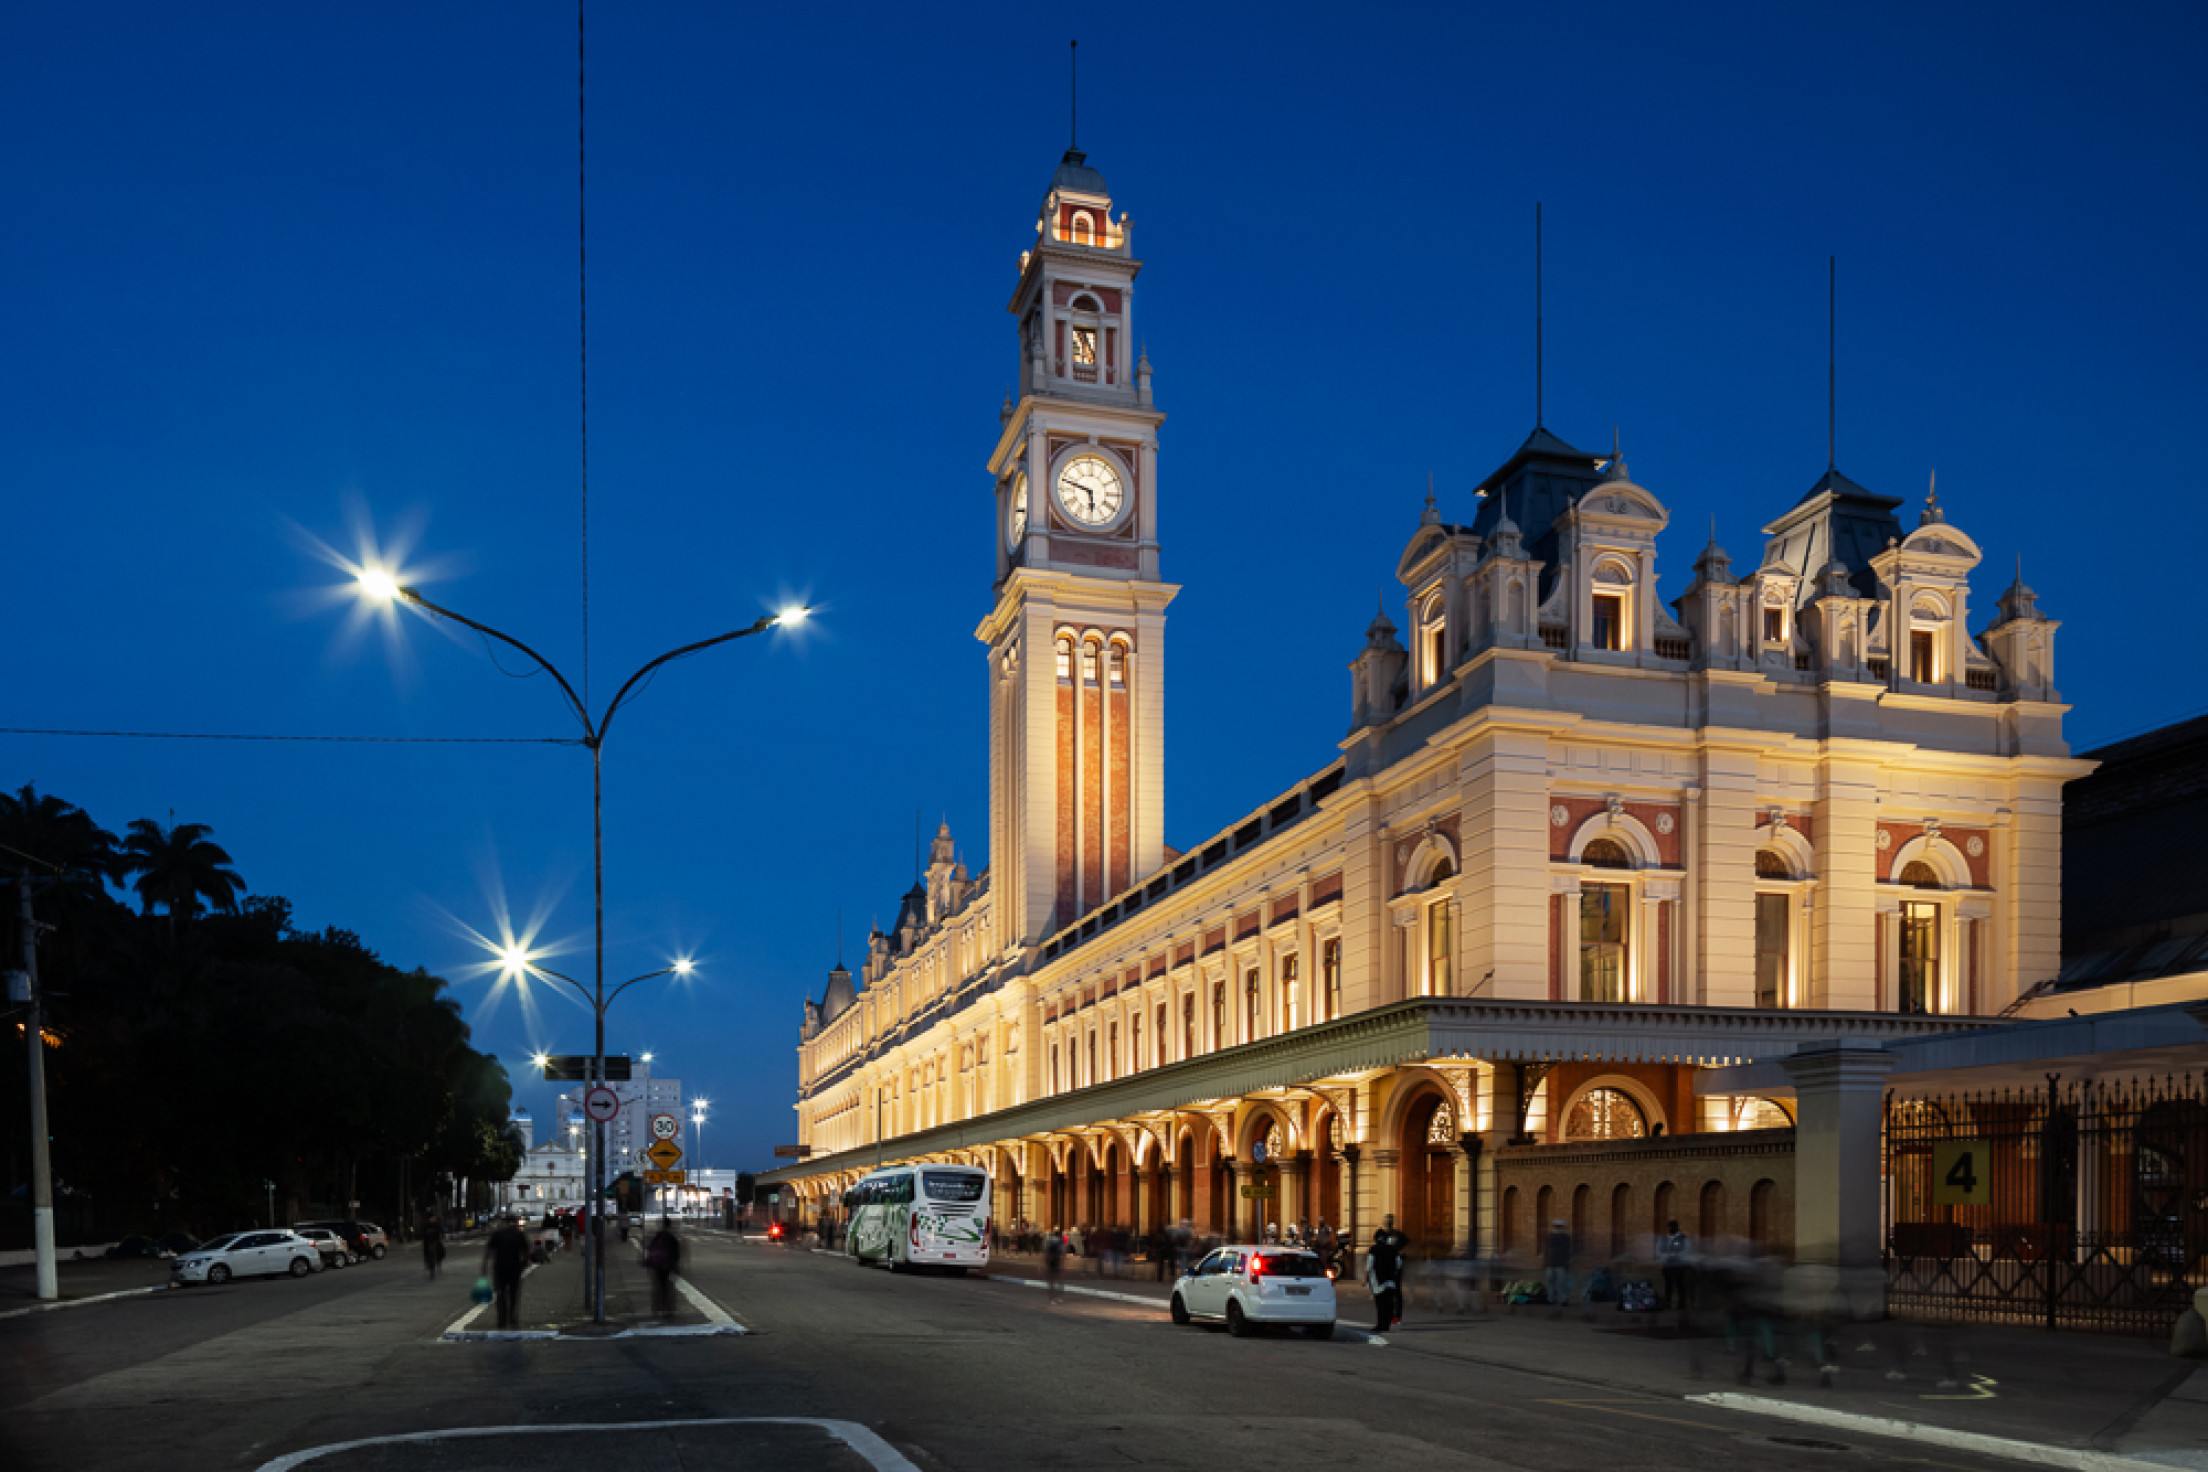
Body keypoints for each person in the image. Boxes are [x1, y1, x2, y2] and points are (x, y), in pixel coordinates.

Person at [483, 1213, 529, 1330]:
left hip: (499, 1268)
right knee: (513, 1294)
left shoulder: (497, 1234)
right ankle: (512, 1318)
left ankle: (501, 1319)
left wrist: (484, 1266)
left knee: (500, 1294)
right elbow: (526, 1250)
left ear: (504, 1222)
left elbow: (489, 1250)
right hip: (514, 1268)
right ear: (514, 1222)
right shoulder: (519, 1234)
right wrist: (524, 1264)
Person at [1366, 1213, 1408, 1332]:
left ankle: (1392, 1318)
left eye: (1390, 1220)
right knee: (1385, 1300)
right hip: (1387, 1274)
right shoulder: (1384, 1238)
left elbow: (1405, 1246)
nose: (1388, 1222)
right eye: (1386, 1220)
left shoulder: (1397, 1235)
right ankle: (1385, 1322)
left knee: (1389, 1298)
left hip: (1386, 1274)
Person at [646, 1216, 683, 1317]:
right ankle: (668, 1308)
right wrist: (676, 1266)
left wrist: (649, 1262)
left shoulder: (657, 1236)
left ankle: (657, 1308)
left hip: (657, 1265)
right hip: (668, 1265)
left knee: (658, 1286)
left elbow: (650, 1249)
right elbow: (676, 1253)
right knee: (667, 1286)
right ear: (669, 1225)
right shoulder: (672, 1238)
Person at [1657, 1219, 1692, 1313]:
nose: (1670, 1229)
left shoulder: (1683, 1238)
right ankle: (1668, 1303)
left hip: (1679, 1266)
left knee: (1680, 1285)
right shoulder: (1663, 1238)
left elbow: (1687, 1250)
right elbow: (1659, 1251)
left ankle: (1681, 1304)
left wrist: (1674, 1255)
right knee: (1668, 1286)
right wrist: (1666, 1256)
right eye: (1669, 1227)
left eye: (1672, 1227)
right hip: (1667, 1266)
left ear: (1676, 1227)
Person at [1543, 1218, 1573, 1314]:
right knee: (1551, 1282)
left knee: (1561, 1283)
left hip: (1560, 1264)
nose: (1557, 1228)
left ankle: (1562, 1300)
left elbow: (1567, 1251)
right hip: (1551, 1263)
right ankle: (1551, 1299)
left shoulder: (1565, 1237)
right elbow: (1546, 1251)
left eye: (1559, 1227)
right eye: (1556, 1226)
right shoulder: (1550, 1236)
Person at [1044, 1226, 1066, 1301]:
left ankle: (1051, 1298)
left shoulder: (1049, 1241)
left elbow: (1046, 1252)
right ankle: (1059, 1297)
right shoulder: (1060, 1242)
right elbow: (1063, 1253)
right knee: (1059, 1280)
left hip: (1050, 1261)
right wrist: (1063, 1264)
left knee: (1051, 1281)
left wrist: (1045, 1262)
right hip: (1057, 1261)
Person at [421, 1213, 446, 1280]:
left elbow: (441, 1232)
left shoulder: (437, 1225)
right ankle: (431, 1270)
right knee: (430, 1256)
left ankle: (438, 1265)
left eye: (434, 1218)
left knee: (440, 1253)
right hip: (428, 1243)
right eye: (432, 1218)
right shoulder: (427, 1225)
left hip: (436, 1242)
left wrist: (442, 1236)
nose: (433, 1219)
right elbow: (423, 1234)